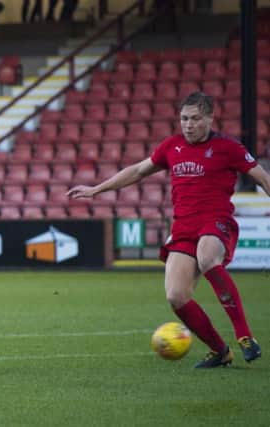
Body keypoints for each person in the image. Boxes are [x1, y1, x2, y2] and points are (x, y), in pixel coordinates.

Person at [68, 91, 270, 368]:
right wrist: (96, 189)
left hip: (216, 220)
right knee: (176, 296)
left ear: (210, 118)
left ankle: (245, 336)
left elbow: (262, 177)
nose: (188, 124)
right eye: (184, 119)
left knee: (208, 257)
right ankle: (220, 351)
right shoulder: (172, 146)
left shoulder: (228, 147)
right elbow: (138, 170)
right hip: (183, 228)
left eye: (196, 119)